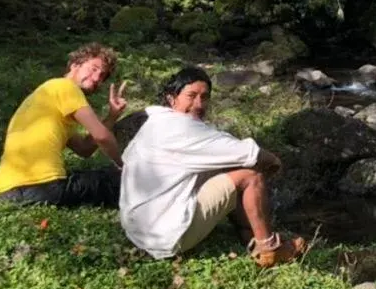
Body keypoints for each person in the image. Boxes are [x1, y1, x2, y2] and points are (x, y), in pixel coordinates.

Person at [119, 66, 306, 267]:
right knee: (250, 175)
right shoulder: (185, 128)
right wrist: (275, 164)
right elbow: (253, 154)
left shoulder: (155, 121)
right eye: (191, 96)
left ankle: (248, 232)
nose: (199, 104)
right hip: (166, 237)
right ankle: (269, 250)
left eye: (204, 97)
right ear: (172, 98)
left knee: (227, 167)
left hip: (137, 229)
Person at [0, 43, 128, 207]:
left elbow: (84, 149)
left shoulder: (49, 95)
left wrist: (112, 116)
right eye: (93, 69)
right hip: (41, 187)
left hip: (7, 192)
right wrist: (123, 165)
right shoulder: (65, 87)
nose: (96, 78)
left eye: (102, 75)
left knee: (88, 178)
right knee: (118, 179)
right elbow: (102, 136)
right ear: (75, 65)